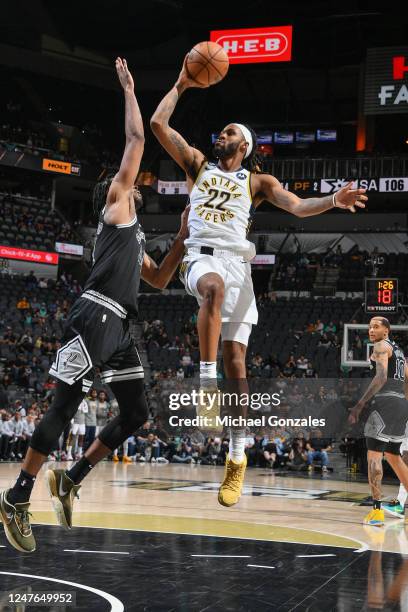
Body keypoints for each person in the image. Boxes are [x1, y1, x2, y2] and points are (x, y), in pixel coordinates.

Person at [150, 54, 368, 508]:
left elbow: (297, 207)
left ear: (244, 145)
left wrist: (333, 199)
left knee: (238, 364)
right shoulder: (197, 166)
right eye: (222, 130)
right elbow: (157, 125)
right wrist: (181, 83)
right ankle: (205, 384)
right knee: (211, 290)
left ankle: (236, 455)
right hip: (202, 258)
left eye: (230, 132)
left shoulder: (256, 183)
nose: (221, 135)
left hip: (239, 266)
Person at [0, 57, 189, 554]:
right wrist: (129, 90)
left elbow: (162, 277)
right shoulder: (116, 203)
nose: (135, 176)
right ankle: (18, 495)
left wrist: (186, 235)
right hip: (95, 312)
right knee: (65, 406)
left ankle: (72, 477)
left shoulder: (135, 236)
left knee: (137, 414)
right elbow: (136, 141)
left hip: (121, 327)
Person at [349, 317, 408, 526]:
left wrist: (360, 404)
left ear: (387, 330)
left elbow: (381, 377)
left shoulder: (381, 346)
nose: (371, 330)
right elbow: (407, 379)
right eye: (369, 327)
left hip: (384, 403)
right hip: (401, 405)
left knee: (374, 456)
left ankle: (376, 512)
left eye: (376, 327)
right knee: (394, 456)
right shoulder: (399, 352)